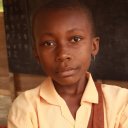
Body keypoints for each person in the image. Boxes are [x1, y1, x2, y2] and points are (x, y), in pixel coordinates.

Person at [8, 0, 128, 128]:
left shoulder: (120, 102)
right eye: (48, 43)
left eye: (75, 39)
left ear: (93, 46)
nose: (62, 54)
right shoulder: (26, 108)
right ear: (37, 53)